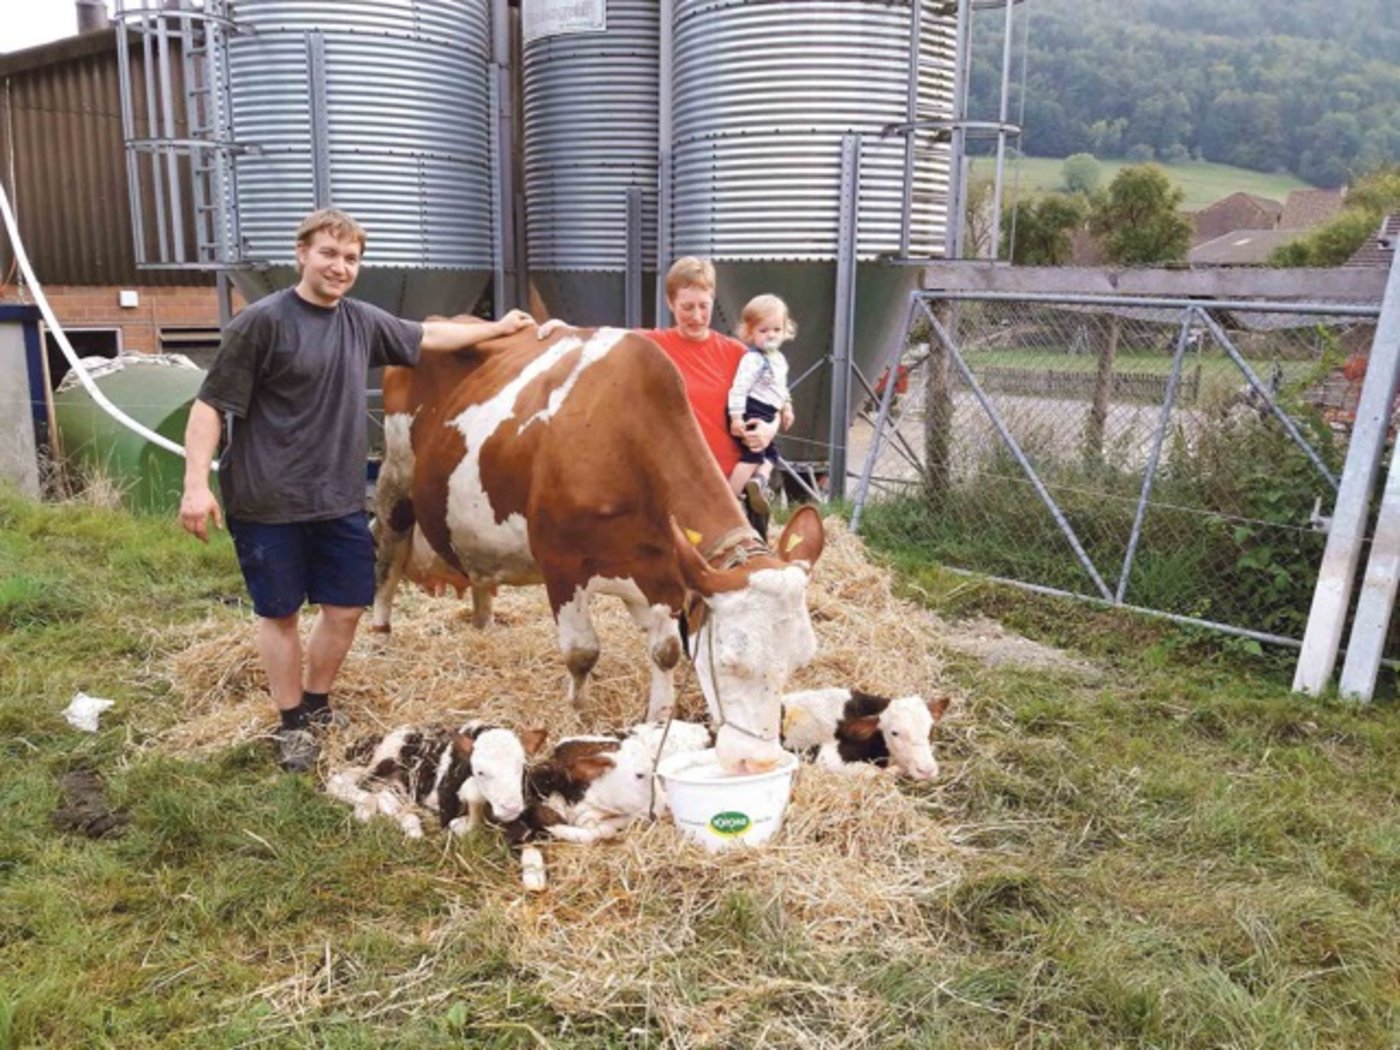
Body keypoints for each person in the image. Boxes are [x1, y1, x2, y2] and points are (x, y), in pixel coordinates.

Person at [178, 208, 535, 772]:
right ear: (302, 254)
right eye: (329, 254)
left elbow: (429, 335)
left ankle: (317, 704)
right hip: (268, 498)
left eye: (350, 258)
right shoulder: (262, 323)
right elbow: (210, 405)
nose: (340, 267)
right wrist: (195, 485)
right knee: (280, 614)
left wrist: (501, 328)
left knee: (345, 608)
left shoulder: (360, 321)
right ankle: (292, 723)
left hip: (339, 498)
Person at [644, 257, 779, 535]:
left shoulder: (737, 353)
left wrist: (768, 429)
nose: (696, 316)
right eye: (686, 307)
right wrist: (556, 327)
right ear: (670, 303)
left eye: (703, 306)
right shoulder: (651, 346)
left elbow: (774, 402)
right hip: (680, 490)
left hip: (735, 487)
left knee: (745, 574)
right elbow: (597, 339)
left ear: (712, 299)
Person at [726, 293, 795, 518]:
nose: (771, 335)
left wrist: (787, 407)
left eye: (776, 329)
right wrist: (736, 417)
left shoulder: (779, 360)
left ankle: (759, 481)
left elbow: (781, 389)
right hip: (753, 410)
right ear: (750, 333)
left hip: (768, 412)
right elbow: (739, 388)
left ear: (785, 329)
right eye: (763, 331)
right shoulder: (753, 359)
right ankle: (730, 499)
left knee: (772, 455)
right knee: (753, 455)